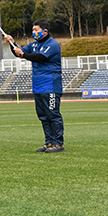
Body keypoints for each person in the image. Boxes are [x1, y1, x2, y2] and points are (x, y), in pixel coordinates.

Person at [5, 19, 65, 153]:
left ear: (45, 31)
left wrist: (23, 54)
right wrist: (12, 43)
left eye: (36, 30)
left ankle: (58, 143)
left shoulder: (52, 44)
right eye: (33, 30)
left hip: (50, 85)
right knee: (43, 116)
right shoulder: (34, 45)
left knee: (53, 114)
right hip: (38, 86)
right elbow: (19, 53)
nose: (34, 32)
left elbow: (40, 57)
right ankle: (49, 142)